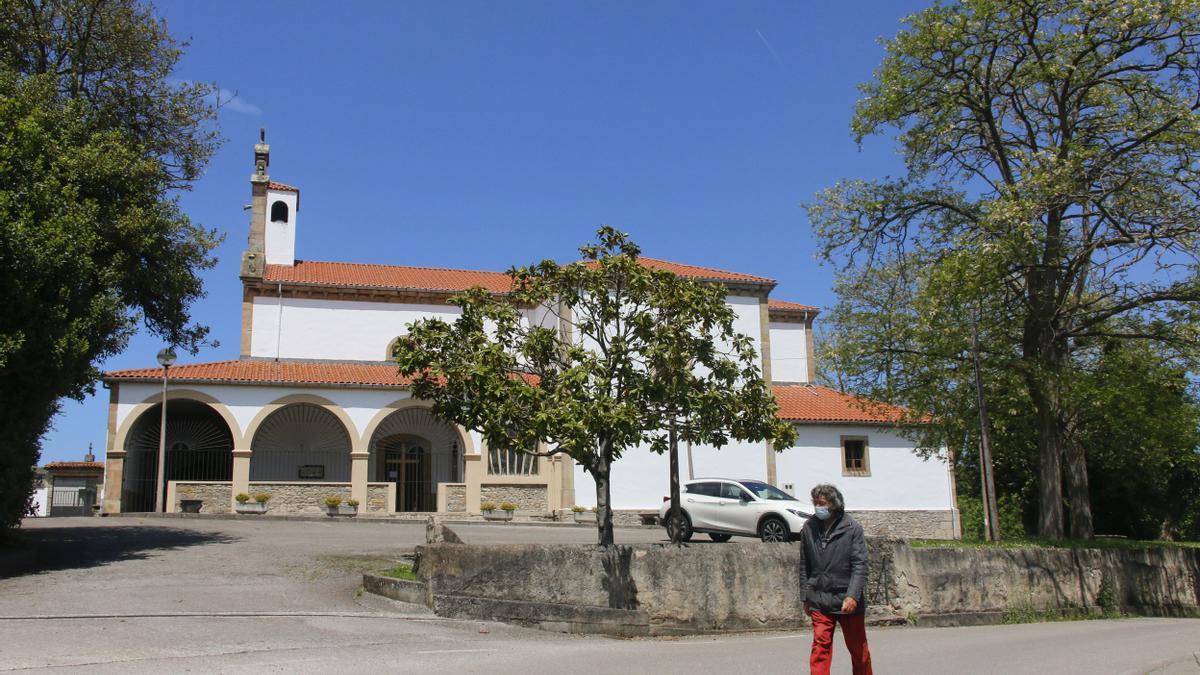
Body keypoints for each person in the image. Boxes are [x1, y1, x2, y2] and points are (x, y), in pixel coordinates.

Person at [797, 483, 873, 675]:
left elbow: (860, 565)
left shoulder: (852, 528)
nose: (817, 507)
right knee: (820, 649)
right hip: (819, 598)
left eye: (821, 503)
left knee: (858, 650)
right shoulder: (809, 527)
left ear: (834, 504)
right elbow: (804, 564)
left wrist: (853, 596)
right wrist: (805, 596)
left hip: (846, 599)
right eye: (815, 503)